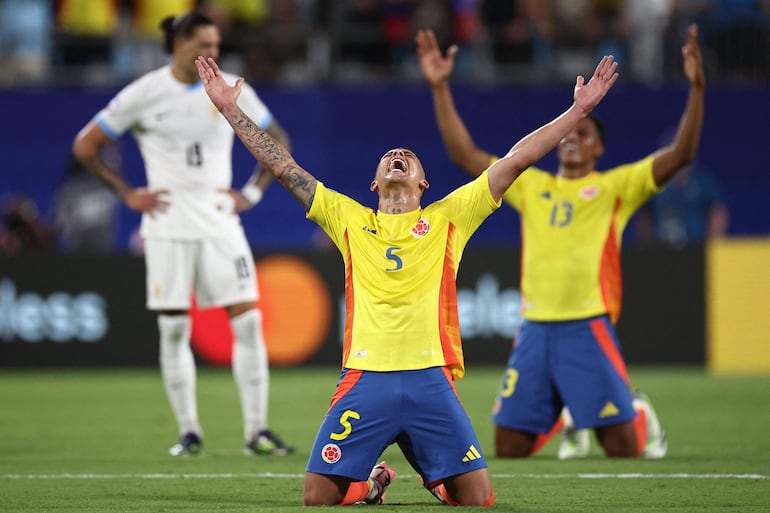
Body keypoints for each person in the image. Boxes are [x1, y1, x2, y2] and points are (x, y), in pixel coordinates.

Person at [195, 44, 618, 504]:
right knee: (317, 498)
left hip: (429, 380)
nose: (398, 156)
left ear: (423, 184)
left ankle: (434, 473)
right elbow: (282, 166)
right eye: (389, 156)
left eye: (408, 157)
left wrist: (577, 111)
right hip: (365, 376)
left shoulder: (451, 215)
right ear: (375, 183)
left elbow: (515, 160)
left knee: (478, 499)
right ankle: (374, 480)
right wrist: (230, 109)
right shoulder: (348, 218)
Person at [416, 24, 705, 459]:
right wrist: (439, 87)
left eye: (585, 135)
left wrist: (697, 88)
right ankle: (567, 413)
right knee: (509, 448)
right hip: (533, 328)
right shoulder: (533, 187)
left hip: (587, 325)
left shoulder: (617, 187)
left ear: (599, 151)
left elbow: (681, 155)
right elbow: (464, 156)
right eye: (569, 134)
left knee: (623, 450)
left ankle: (638, 413)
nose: (572, 139)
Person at [72, 10, 294, 457]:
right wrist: (126, 194)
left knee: (249, 322)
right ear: (179, 44)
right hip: (169, 225)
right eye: (203, 46)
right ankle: (189, 431)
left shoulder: (230, 89)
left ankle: (257, 431)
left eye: (216, 46)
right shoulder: (144, 93)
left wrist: (250, 194)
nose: (211, 54)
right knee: (174, 330)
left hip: (219, 221)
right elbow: (85, 145)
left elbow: (278, 138)